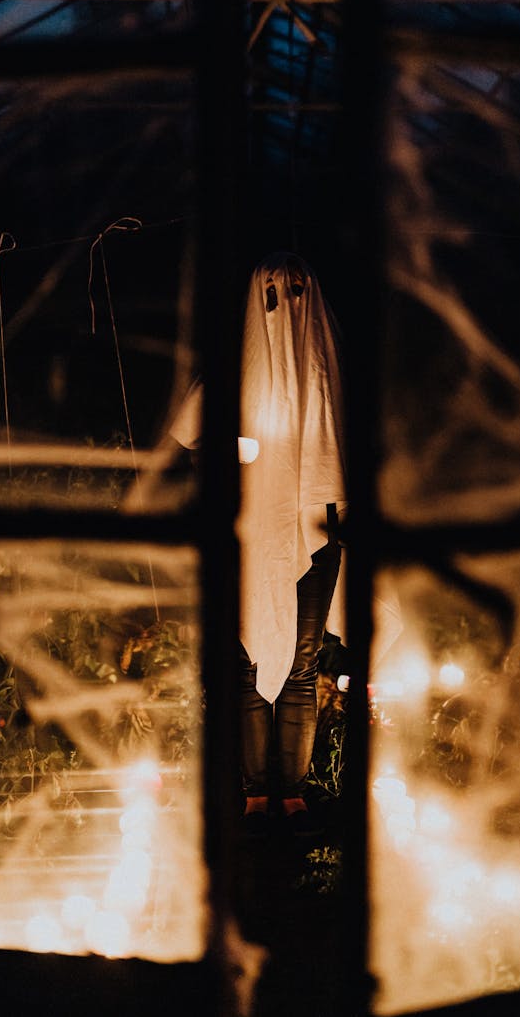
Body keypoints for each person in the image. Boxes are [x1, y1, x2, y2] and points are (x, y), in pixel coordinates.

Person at [170, 250, 346, 838]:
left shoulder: (329, 365)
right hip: (246, 530)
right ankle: (254, 792)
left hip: (314, 531)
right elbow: (192, 434)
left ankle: (290, 793)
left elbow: (344, 451)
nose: (285, 310)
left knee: (300, 665)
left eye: (296, 293)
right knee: (247, 665)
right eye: (273, 296)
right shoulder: (233, 369)